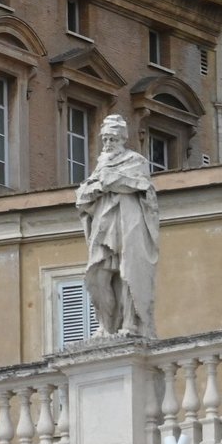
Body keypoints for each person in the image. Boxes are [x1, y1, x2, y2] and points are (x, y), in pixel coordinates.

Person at [76, 114, 160, 338]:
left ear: (123, 139)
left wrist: (108, 181)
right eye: (105, 139)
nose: (108, 144)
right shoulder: (99, 167)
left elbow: (142, 186)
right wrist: (101, 185)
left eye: (113, 139)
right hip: (104, 227)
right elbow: (82, 197)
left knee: (127, 273)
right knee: (98, 276)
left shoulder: (135, 161)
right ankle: (106, 325)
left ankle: (130, 324)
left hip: (127, 224)